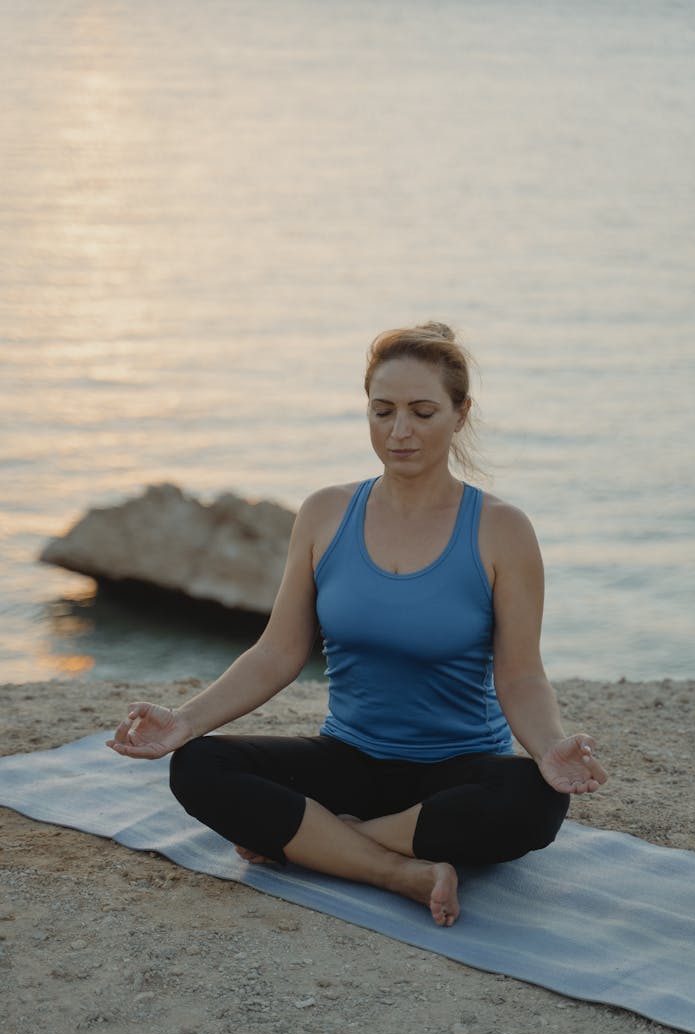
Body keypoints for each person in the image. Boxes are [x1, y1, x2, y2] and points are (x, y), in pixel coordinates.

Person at [107, 322, 607, 927]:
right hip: (348, 759)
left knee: (534, 799)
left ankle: (331, 840)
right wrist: (184, 720)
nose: (400, 432)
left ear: (460, 413)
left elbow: (522, 677)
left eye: (423, 412)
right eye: (383, 411)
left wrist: (549, 747)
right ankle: (397, 869)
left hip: (457, 772)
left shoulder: (502, 530)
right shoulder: (324, 513)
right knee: (197, 765)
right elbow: (278, 651)